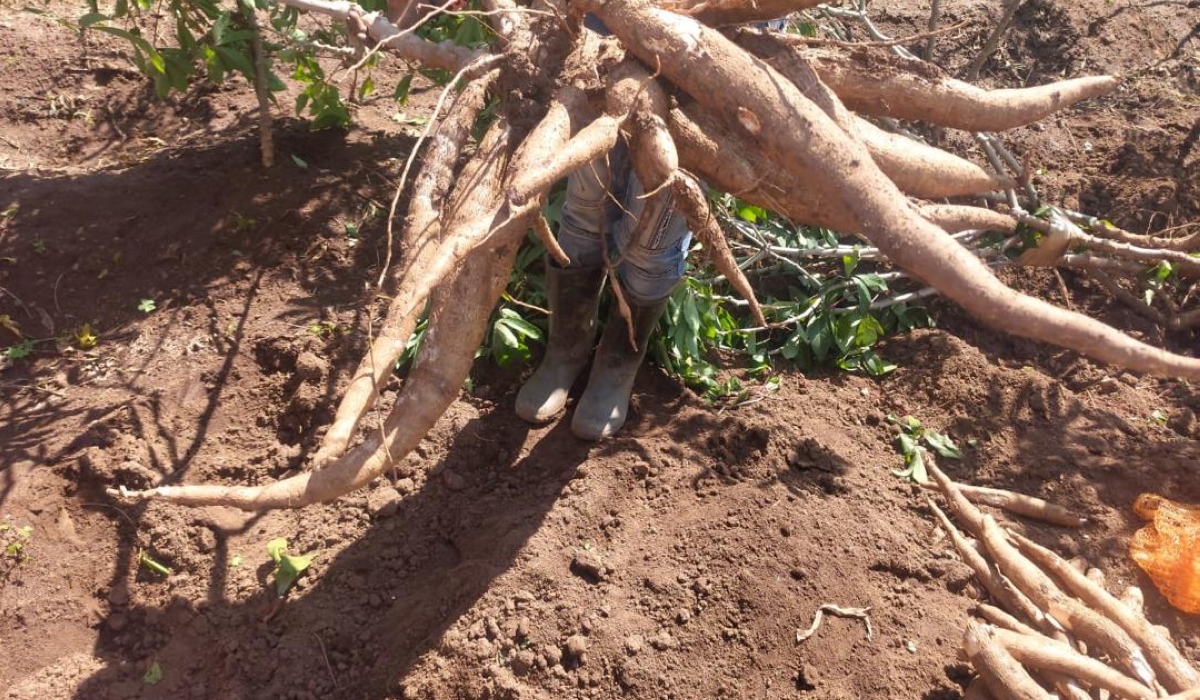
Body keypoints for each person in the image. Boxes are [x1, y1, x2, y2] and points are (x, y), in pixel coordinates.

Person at [514, 136, 692, 440]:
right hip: (610, 95)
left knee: (650, 250)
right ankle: (566, 350)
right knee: (585, 214)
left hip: (693, 119)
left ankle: (616, 366)